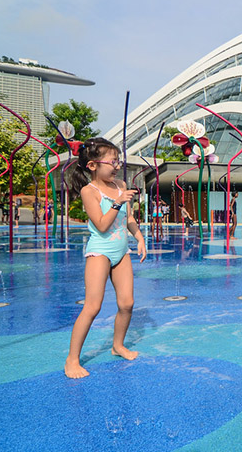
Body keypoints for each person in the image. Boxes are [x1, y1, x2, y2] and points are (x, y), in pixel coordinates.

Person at [64, 138, 147, 379]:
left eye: (118, 161)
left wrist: (139, 237)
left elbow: (128, 218)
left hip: (121, 251)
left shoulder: (120, 185)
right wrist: (116, 203)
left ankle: (117, 345)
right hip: (100, 252)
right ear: (92, 165)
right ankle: (72, 359)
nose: (117, 166)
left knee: (127, 303)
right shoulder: (89, 191)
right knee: (93, 306)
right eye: (112, 162)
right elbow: (100, 226)